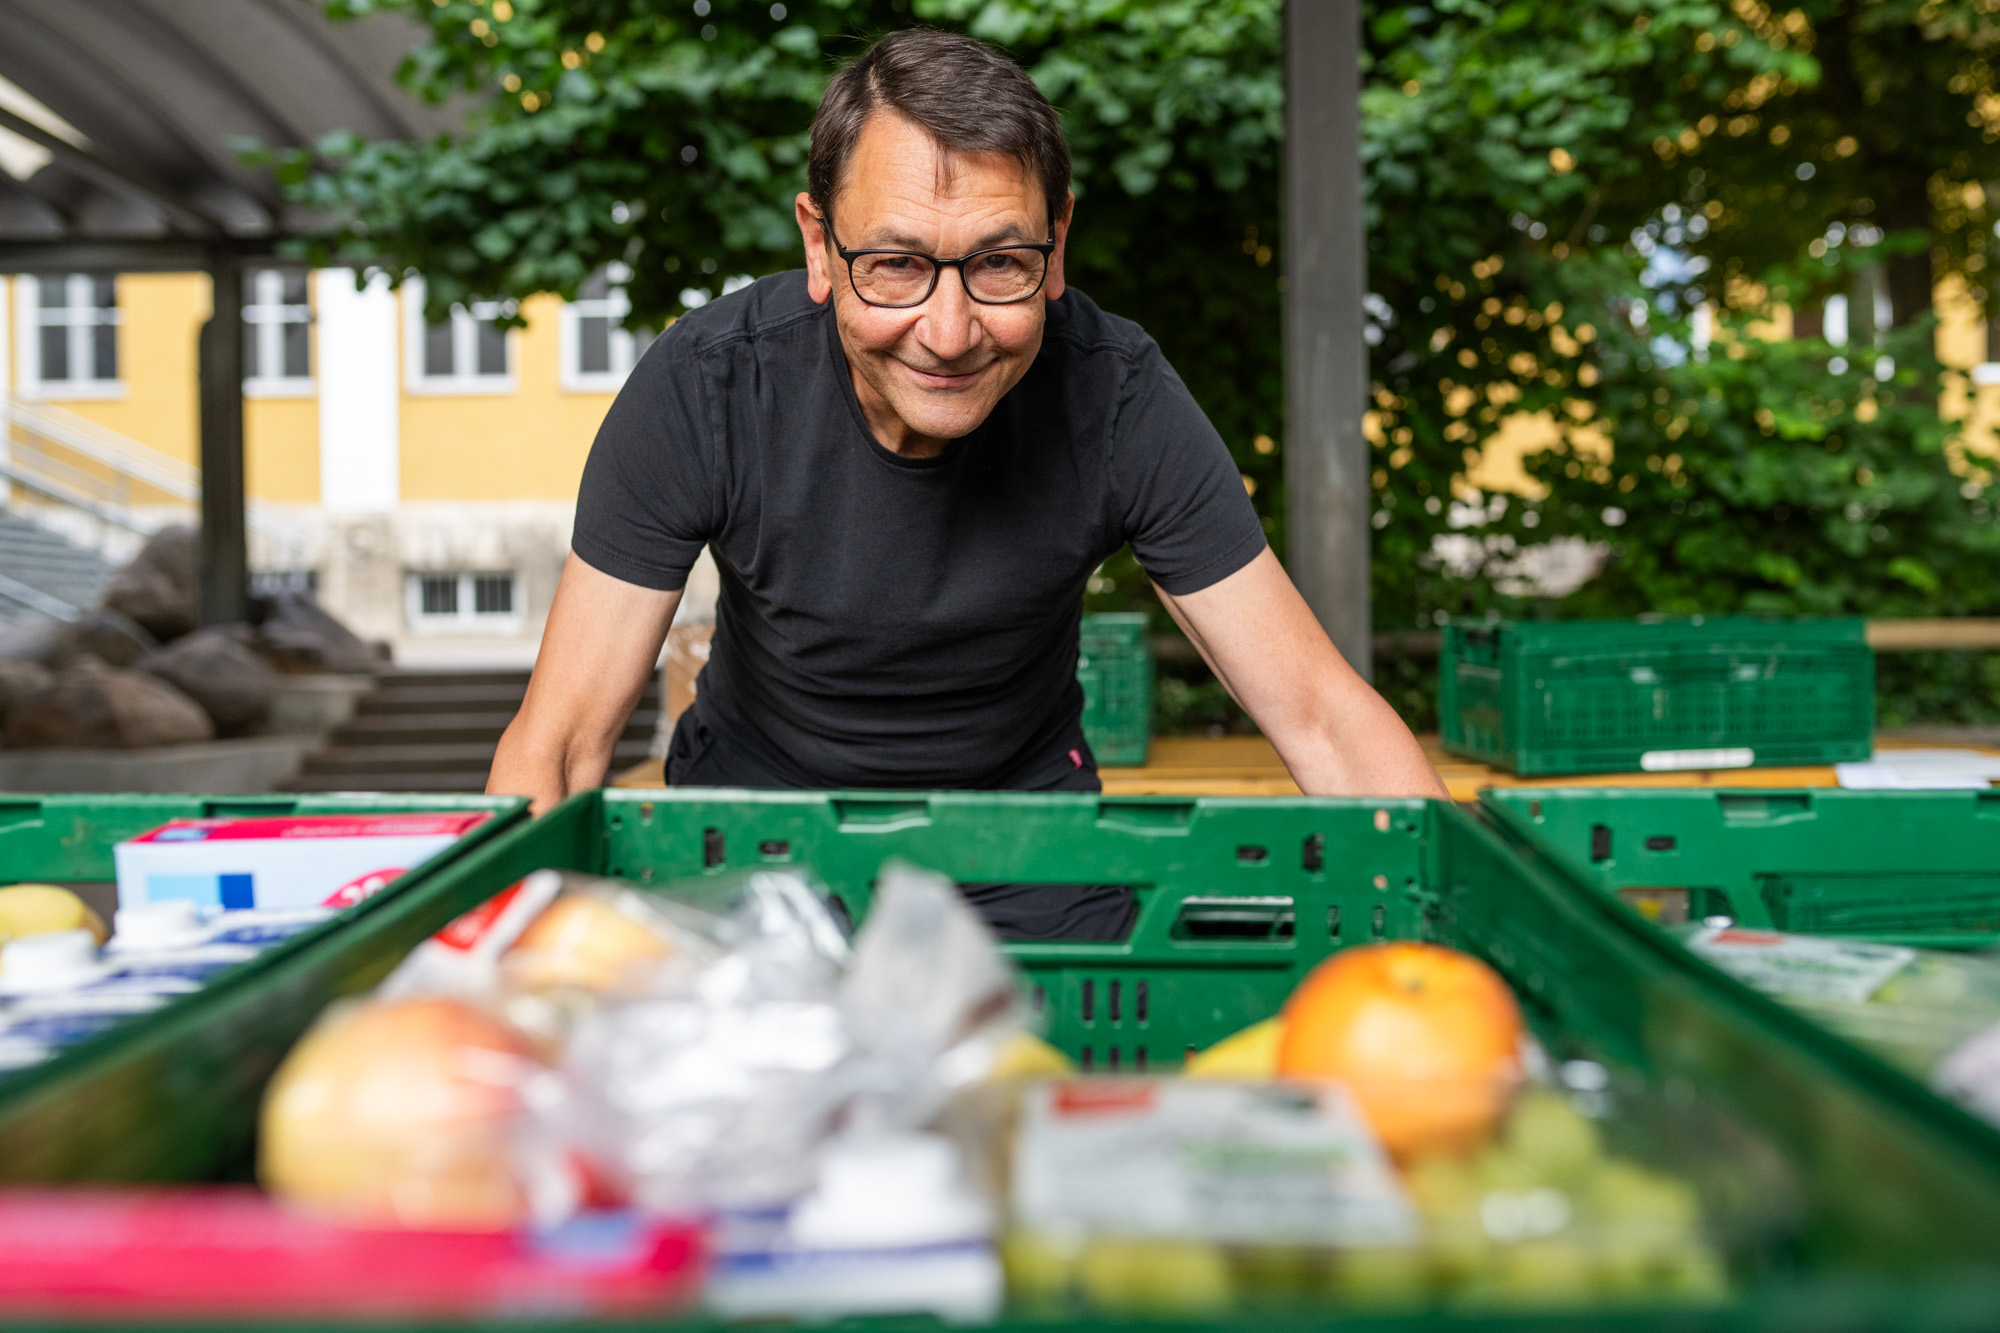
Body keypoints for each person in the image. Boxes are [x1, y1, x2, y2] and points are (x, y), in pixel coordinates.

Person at [490, 30, 1447, 845]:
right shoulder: (706, 386)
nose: (948, 334)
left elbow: (1322, 719)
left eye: (999, 263)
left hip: (1026, 837)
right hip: (754, 823)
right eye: (895, 264)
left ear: (1057, 246)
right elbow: (561, 744)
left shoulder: (1117, 396)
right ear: (820, 246)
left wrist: (1466, 931)